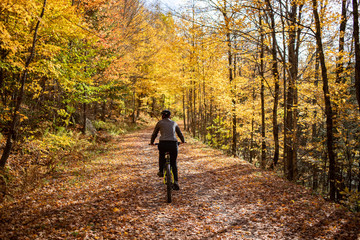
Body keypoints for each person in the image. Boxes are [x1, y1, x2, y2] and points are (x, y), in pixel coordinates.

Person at [150, 110, 185, 190]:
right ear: (169, 116)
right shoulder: (174, 123)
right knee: (173, 163)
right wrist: (182, 141)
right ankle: (176, 181)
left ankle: (161, 171)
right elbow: (179, 133)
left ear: (162, 116)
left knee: (161, 156)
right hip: (173, 144)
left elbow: (154, 134)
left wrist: (152, 142)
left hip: (163, 144)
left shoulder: (159, 123)